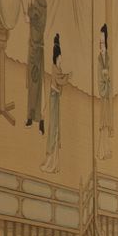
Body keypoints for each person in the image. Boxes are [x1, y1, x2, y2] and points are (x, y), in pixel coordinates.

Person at [23, 0, 50, 128]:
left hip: (37, 48)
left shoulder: (42, 3)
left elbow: (34, 18)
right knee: (33, 83)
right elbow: (30, 16)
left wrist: (29, 12)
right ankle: (32, 115)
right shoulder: (38, 1)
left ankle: (36, 117)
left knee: (36, 82)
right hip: (34, 47)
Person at [41, 34, 70, 174]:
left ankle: (55, 163)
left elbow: (61, 80)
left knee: (56, 127)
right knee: (53, 128)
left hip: (56, 99)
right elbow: (60, 80)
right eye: (60, 57)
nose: (61, 59)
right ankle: (51, 162)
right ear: (57, 58)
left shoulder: (57, 69)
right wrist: (69, 76)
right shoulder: (54, 69)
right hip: (53, 99)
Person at [95, 23, 114, 160]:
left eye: (103, 43)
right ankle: (101, 151)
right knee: (102, 121)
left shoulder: (108, 58)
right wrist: (104, 77)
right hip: (103, 94)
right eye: (100, 43)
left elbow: (110, 76)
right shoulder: (99, 59)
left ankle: (106, 150)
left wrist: (107, 77)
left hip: (107, 94)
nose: (101, 46)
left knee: (107, 120)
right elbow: (99, 76)